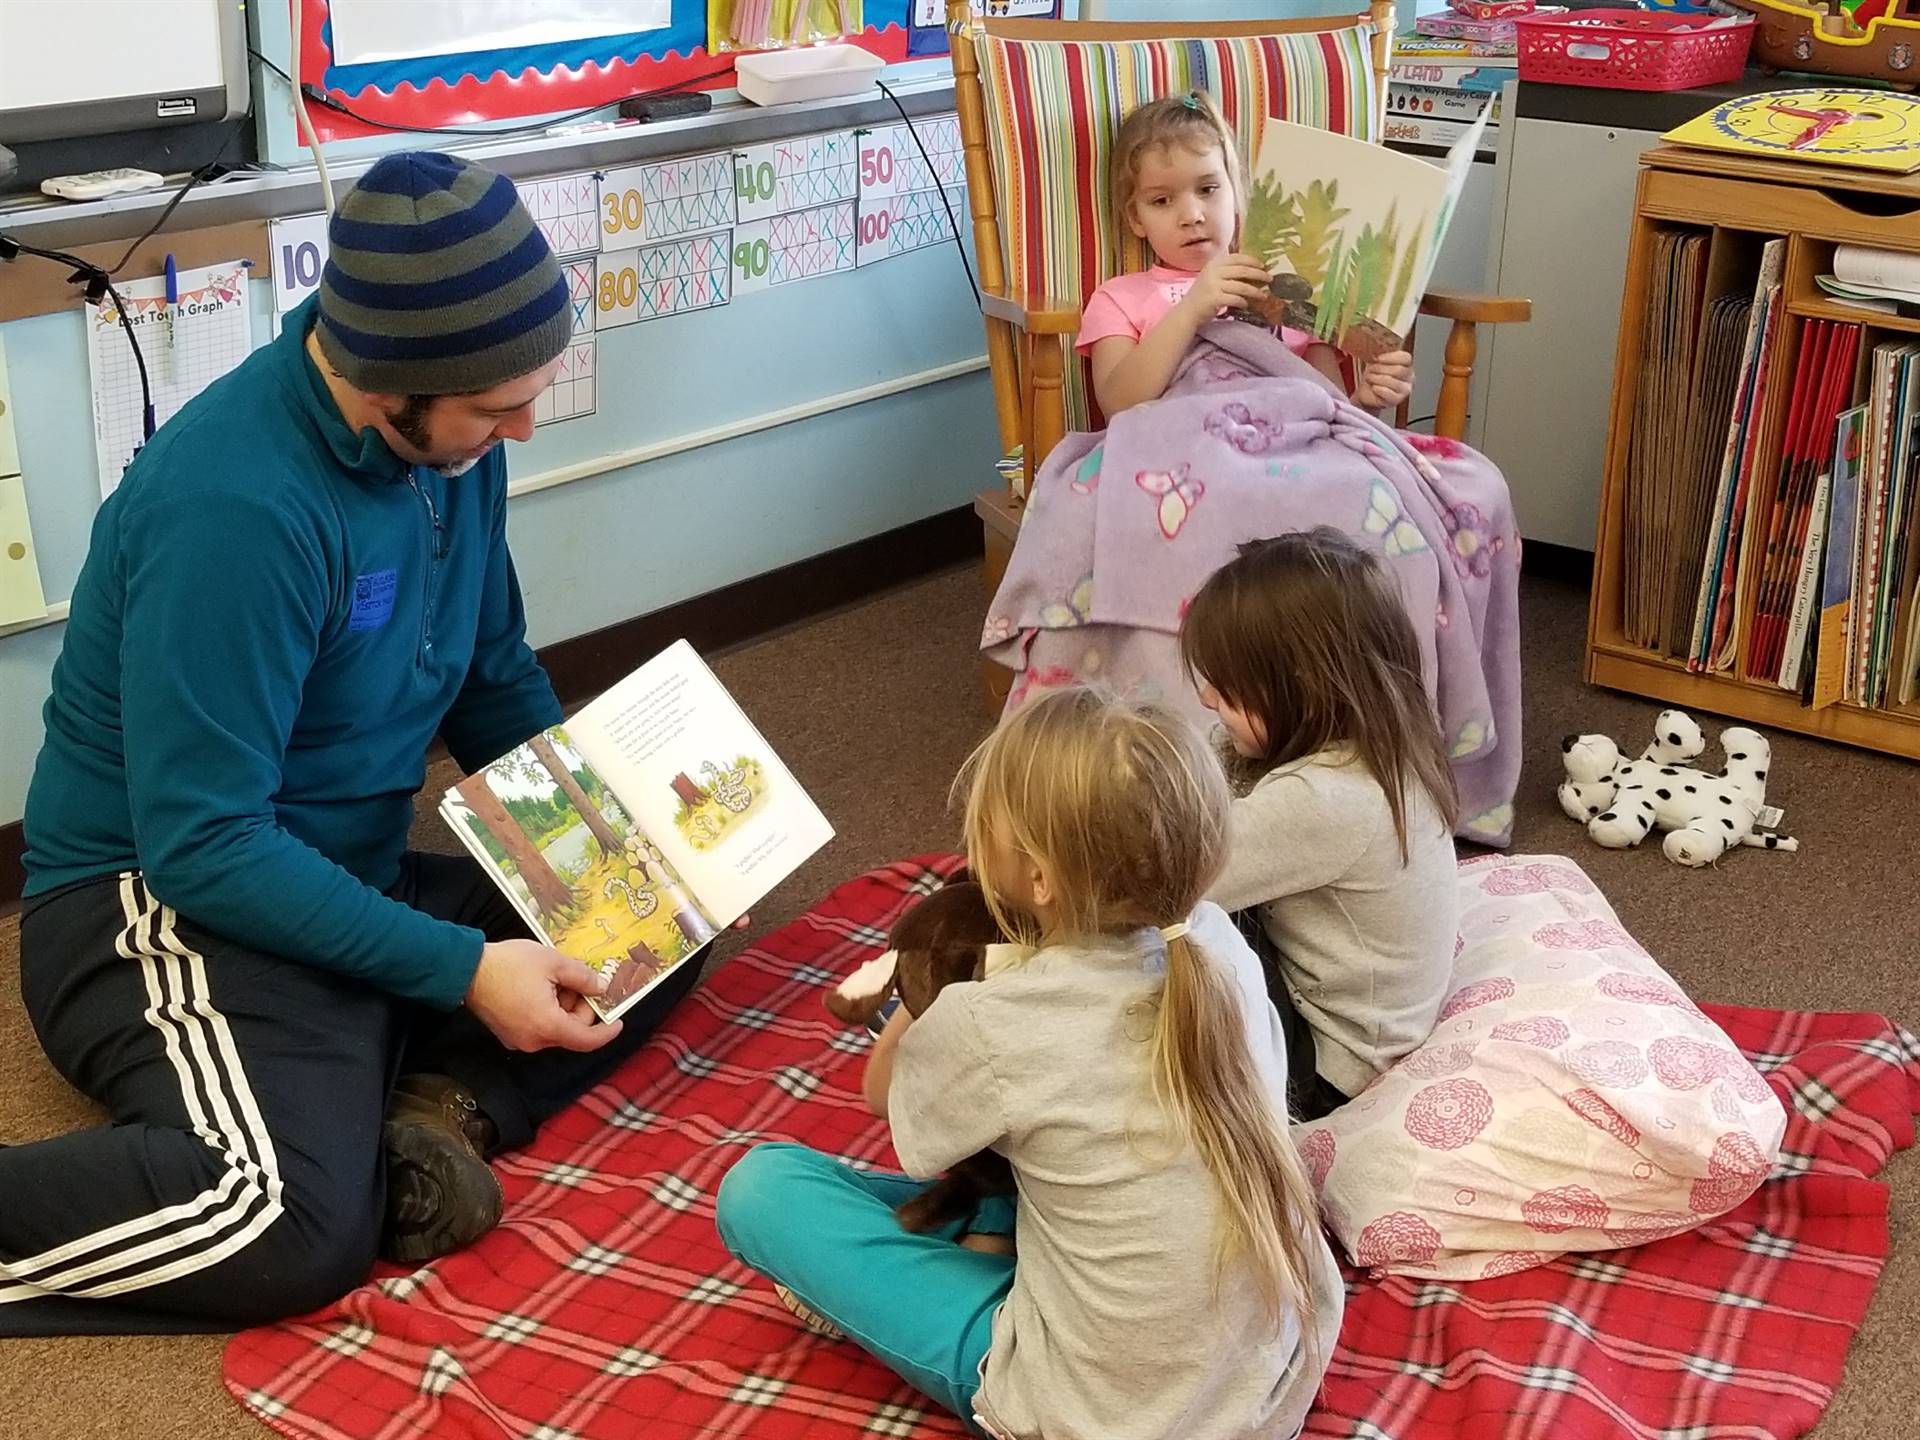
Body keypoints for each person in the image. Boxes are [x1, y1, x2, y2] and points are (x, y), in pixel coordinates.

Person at [4, 152, 697, 1336]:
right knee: (279, 1223)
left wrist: (605, 841)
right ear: (390, 389)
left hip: (334, 874)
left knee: (661, 920)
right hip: (158, 908)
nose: (524, 425)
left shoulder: (451, 446)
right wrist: (463, 969)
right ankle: (356, 1116)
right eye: (497, 407)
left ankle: (424, 1112)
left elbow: (492, 680)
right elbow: (207, 849)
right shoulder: (234, 506)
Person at [715, 688, 1342, 1440]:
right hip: (1271, 1378)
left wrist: (924, 988)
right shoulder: (1216, 946)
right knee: (1035, 1160)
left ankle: (928, 1284)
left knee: (763, 1187)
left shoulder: (991, 1022)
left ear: (1038, 880)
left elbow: (883, 1098)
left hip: (1096, 1413)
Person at [1182, 529, 1461, 1121]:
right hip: (1359, 1016)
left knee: (1163, 932)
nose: (1207, 699)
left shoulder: (1326, 799)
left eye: (1228, 690)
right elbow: (1214, 766)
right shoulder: (1387, 739)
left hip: (1326, 1070)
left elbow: (1175, 880)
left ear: (1304, 692)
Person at [1080, 91, 1416, 420]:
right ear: (1136, 218)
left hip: (1289, 450)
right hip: (1186, 448)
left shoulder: (1289, 290)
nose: (1192, 215)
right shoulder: (1119, 298)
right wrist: (1191, 309)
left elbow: (1331, 412)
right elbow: (1118, 406)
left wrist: (1366, 402)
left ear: (1236, 192)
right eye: (1161, 201)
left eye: (1208, 189)